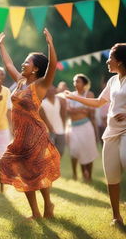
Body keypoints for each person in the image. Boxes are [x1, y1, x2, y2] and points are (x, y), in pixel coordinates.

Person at [0, 28, 60, 220]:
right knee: (23, 172)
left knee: (38, 172)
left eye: (27, 61)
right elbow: (8, 64)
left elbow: (53, 66)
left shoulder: (39, 85)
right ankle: (35, 213)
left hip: (35, 133)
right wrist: (1, 45)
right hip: (20, 135)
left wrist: (50, 43)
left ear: (36, 69)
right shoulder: (20, 81)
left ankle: (48, 204)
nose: (23, 64)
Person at [65, 43, 126, 226]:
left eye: (111, 58)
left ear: (121, 61)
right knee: (111, 174)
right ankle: (116, 216)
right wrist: (74, 97)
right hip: (111, 132)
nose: (107, 61)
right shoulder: (113, 81)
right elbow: (99, 102)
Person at [66, 74, 99, 182]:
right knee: (75, 150)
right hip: (73, 128)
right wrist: (81, 109)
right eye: (74, 81)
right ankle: (75, 174)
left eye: (78, 81)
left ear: (84, 84)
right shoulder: (71, 95)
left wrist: (77, 110)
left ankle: (88, 176)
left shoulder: (89, 94)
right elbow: (68, 110)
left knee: (88, 150)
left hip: (86, 126)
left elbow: (91, 110)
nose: (75, 83)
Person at [39, 85, 66, 156]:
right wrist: (50, 128)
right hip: (49, 132)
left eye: (53, 89)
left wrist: (63, 125)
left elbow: (63, 114)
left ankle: (57, 166)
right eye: (49, 90)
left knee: (61, 151)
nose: (51, 91)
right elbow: (43, 118)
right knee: (50, 154)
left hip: (60, 130)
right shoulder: (42, 104)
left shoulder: (60, 101)